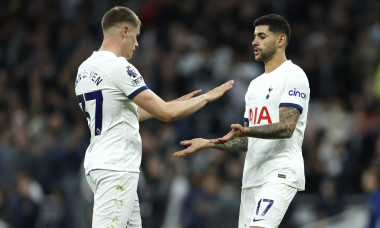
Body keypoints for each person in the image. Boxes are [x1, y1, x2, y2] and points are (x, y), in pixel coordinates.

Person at [74, 6, 234, 228]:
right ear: (125, 31)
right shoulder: (120, 67)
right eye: (136, 36)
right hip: (116, 167)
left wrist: (173, 103)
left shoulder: (84, 69)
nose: (137, 44)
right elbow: (167, 115)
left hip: (100, 162)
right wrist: (207, 97)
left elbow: (128, 115)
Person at [174, 14, 310, 228]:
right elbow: (247, 141)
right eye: (254, 36)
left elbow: (287, 127)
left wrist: (247, 131)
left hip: (280, 171)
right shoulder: (254, 85)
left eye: (262, 36)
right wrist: (209, 143)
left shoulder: (293, 75)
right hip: (251, 178)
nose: (254, 42)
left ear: (281, 40)